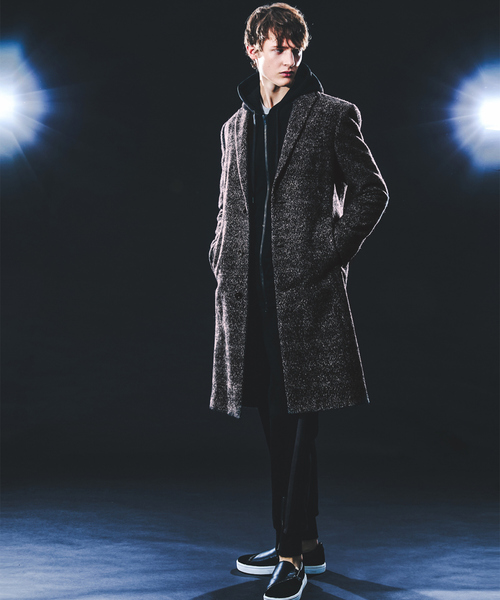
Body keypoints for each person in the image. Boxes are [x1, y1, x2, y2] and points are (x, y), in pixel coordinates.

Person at [208, 4, 388, 599]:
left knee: (298, 426)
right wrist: (220, 254)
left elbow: (371, 193)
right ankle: (305, 541)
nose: (289, 58)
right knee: (275, 424)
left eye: (296, 48)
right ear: (253, 51)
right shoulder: (235, 126)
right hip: (248, 299)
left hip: (306, 298)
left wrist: (327, 253)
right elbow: (227, 205)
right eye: (278, 47)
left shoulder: (331, 114)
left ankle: (290, 555)